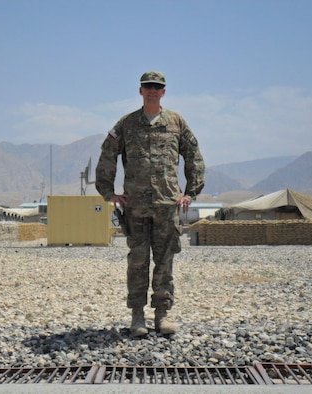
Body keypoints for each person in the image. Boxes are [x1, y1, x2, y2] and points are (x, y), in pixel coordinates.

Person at [95, 71, 205, 336]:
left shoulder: (176, 122)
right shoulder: (127, 124)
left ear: (164, 92)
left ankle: (162, 316)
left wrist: (191, 192)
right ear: (141, 90)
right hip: (136, 206)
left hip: (167, 205)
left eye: (157, 87)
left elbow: (194, 156)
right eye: (148, 87)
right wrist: (108, 193)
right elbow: (107, 155)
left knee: (165, 261)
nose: (153, 91)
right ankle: (137, 317)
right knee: (138, 261)